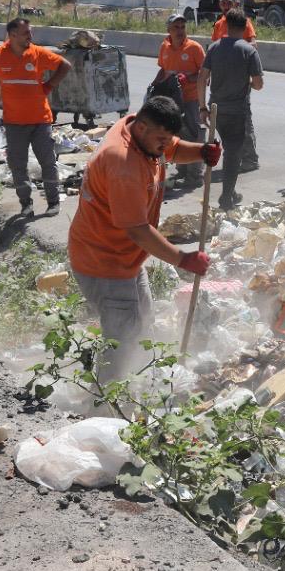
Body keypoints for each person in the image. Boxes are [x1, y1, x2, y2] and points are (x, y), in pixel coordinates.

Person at [67, 94, 220, 387]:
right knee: (121, 340)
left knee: (141, 320)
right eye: (161, 138)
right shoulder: (123, 163)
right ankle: (106, 405)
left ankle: (137, 382)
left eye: (169, 137)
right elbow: (137, 230)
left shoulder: (144, 134)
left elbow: (172, 149)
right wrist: (182, 259)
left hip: (127, 258)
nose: (166, 144)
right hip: (104, 261)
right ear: (142, 127)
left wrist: (201, 152)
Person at [0, 16, 73, 215]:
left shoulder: (38, 53)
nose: (30, 36)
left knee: (48, 162)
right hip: (14, 122)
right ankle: (26, 204)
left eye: (31, 32)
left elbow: (65, 65)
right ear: (13, 35)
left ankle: (53, 202)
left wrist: (49, 85)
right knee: (17, 165)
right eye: (26, 33)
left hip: (41, 120)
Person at [202, 7, 264, 210]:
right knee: (233, 154)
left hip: (216, 110)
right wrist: (245, 80)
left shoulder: (214, 48)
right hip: (237, 111)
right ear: (245, 27)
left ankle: (230, 192)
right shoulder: (249, 51)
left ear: (226, 26)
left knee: (229, 150)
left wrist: (202, 107)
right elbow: (258, 84)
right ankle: (226, 197)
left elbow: (202, 78)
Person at [152, 13, 207, 187]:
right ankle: (183, 171)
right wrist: (155, 85)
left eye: (183, 27)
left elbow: (206, 76)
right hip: (172, 101)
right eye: (176, 27)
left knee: (193, 135)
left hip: (191, 100)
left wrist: (188, 78)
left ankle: (195, 176)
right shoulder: (164, 47)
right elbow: (163, 70)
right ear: (168, 30)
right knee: (175, 135)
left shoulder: (194, 48)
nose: (180, 30)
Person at [211, 0, 260, 173]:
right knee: (226, 120)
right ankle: (235, 156)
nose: (225, 6)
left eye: (228, 3)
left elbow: (253, 44)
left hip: (240, 80)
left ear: (235, 3)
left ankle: (250, 159)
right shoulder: (218, 24)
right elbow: (214, 49)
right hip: (222, 81)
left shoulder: (243, 22)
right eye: (223, 3)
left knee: (243, 119)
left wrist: (236, 51)